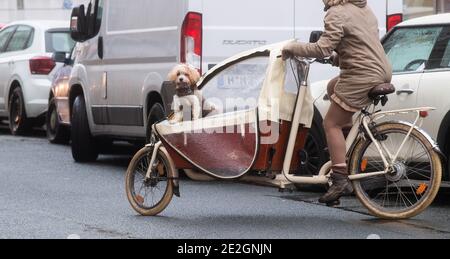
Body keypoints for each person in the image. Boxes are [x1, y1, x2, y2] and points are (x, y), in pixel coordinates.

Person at [282, 0, 392, 206]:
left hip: (362, 75)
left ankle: (340, 179)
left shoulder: (336, 12)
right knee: (333, 87)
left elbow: (322, 48)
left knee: (330, 124)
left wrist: (292, 48)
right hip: (381, 70)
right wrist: (336, 58)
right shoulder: (364, 8)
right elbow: (361, 45)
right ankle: (345, 144)